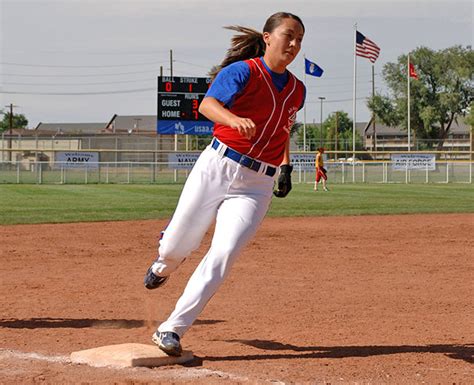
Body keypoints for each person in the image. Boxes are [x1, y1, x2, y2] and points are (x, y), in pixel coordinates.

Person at [143, 12, 306, 356]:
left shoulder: (297, 89)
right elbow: (207, 105)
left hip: (256, 184)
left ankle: (171, 328)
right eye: (288, 36)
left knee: (224, 253)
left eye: (299, 39)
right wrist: (233, 119)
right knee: (176, 246)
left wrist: (286, 166)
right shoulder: (244, 71)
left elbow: (283, 128)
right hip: (218, 165)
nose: (294, 44)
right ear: (267, 37)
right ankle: (163, 266)